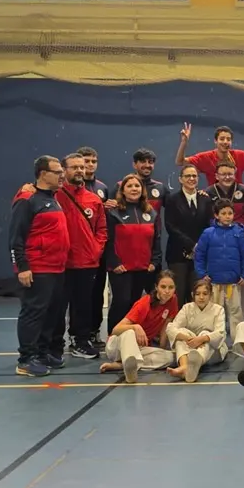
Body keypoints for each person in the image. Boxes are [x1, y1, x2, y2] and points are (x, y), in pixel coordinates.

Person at [10, 156, 70, 377]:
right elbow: (16, 237)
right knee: (33, 313)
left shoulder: (53, 198)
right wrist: (22, 267)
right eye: (57, 172)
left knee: (51, 314)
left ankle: (42, 353)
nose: (62, 175)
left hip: (57, 268)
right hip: (37, 268)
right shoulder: (27, 200)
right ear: (43, 174)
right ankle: (26, 359)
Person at [52, 153, 107, 359]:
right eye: (74, 167)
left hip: (86, 262)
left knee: (83, 304)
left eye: (82, 167)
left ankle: (81, 341)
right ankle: (55, 345)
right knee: (58, 306)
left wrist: (96, 249)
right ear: (64, 171)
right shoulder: (54, 196)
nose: (80, 171)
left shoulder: (94, 200)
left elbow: (101, 229)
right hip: (61, 263)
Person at [105, 174, 162, 333]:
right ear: (122, 190)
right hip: (121, 268)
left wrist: (155, 261)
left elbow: (156, 238)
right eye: (129, 186)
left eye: (137, 186)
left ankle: (131, 336)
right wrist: (114, 262)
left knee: (135, 304)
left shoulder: (150, 212)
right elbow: (107, 240)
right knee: (121, 301)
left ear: (142, 190)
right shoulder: (113, 212)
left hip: (143, 268)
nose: (134, 189)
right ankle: (114, 337)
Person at [98, 271, 177, 383]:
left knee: (171, 357)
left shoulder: (173, 300)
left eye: (171, 287)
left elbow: (165, 326)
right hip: (117, 345)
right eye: (163, 287)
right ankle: (130, 368)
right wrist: (135, 327)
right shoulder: (144, 303)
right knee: (129, 332)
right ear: (156, 287)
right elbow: (116, 330)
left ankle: (123, 364)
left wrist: (161, 348)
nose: (167, 291)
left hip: (139, 349)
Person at [195, 199, 244, 340]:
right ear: (216, 215)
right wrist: (202, 274)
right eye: (223, 213)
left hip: (233, 283)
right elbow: (199, 256)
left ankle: (240, 342)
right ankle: (215, 343)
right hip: (214, 283)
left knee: (236, 314)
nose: (227, 216)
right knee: (214, 314)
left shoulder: (239, 233)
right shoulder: (208, 233)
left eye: (230, 213)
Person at [164, 164, 214, 309]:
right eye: (187, 176)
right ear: (180, 179)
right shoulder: (172, 199)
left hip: (200, 255)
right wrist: (192, 245)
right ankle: (177, 328)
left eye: (194, 176)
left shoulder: (206, 199)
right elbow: (170, 226)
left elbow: (209, 225)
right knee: (178, 293)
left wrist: (201, 246)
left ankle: (195, 328)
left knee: (198, 292)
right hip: (177, 254)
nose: (191, 179)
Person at [77, 146, 110, 348]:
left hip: (99, 250)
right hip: (78, 252)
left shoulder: (102, 188)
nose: (89, 165)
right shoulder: (68, 188)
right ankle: (78, 333)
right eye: (86, 161)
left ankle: (94, 330)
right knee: (80, 294)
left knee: (97, 292)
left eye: (93, 161)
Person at [165, 280, 227, 383]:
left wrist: (202, 339)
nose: (201, 297)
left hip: (212, 352)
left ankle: (193, 363)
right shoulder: (187, 308)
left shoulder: (218, 309)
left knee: (205, 333)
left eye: (205, 294)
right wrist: (188, 338)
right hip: (190, 346)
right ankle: (186, 367)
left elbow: (220, 333)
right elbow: (170, 328)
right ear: (192, 295)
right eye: (198, 294)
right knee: (181, 332)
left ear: (211, 295)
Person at [175, 123, 244, 185]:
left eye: (228, 139)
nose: (225, 142)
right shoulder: (206, 157)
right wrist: (184, 142)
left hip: (237, 201)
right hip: (215, 202)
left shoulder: (240, 156)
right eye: (222, 139)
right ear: (215, 141)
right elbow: (180, 162)